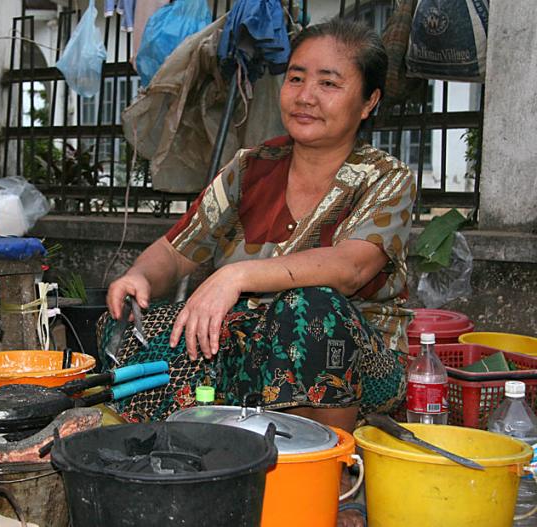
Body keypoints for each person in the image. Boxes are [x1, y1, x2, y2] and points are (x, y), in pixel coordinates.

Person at [105, 18, 415, 433]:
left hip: (355, 359)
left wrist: (235, 275)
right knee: (144, 326)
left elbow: (350, 268)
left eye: (328, 84)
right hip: (251, 343)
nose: (305, 97)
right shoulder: (250, 166)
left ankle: (328, 464)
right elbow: (175, 251)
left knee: (309, 308)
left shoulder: (386, 178)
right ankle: (199, 452)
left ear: (367, 101)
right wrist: (138, 277)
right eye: (296, 78)